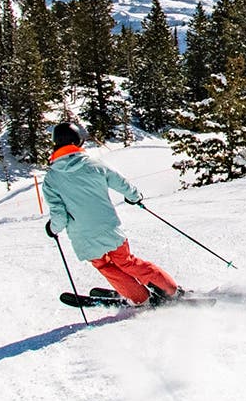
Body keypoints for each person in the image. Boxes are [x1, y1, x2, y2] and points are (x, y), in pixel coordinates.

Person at [41, 123, 183, 305]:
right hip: (108, 227)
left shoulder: (51, 179)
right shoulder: (94, 165)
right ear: (77, 142)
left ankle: (141, 298)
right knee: (127, 261)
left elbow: (59, 216)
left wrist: (52, 229)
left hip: (82, 235)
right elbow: (121, 182)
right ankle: (170, 289)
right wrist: (134, 197)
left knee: (104, 265)